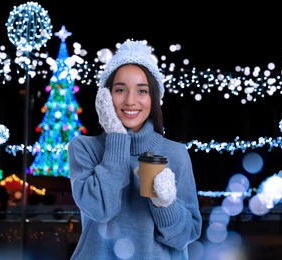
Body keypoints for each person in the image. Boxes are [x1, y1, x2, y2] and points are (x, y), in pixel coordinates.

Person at [67, 39, 202, 259]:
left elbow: (186, 235)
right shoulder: (84, 149)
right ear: (106, 96)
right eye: (120, 89)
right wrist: (117, 136)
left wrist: (165, 203)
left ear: (154, 98)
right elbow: (102, 209)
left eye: (142, 91)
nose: (131, 101)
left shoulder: (176, 154)